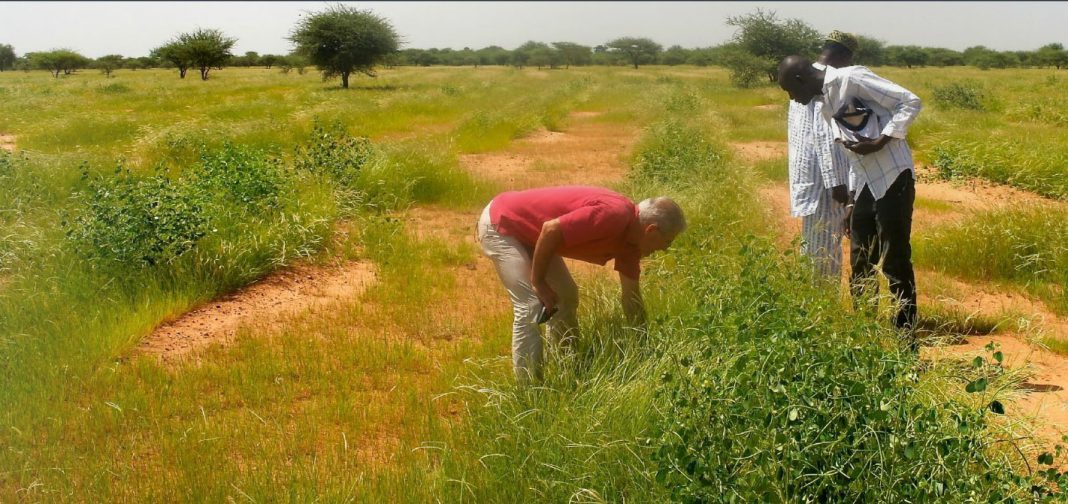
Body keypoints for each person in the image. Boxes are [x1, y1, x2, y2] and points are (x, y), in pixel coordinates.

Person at [777, 54, 923, 349]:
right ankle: (864, 336)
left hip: (893, 176)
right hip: (866, 181)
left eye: (790, 91)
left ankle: (905, 343)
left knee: (894, 261)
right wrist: (853, 201)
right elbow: (853, 153)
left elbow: (910, 101)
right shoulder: (824, 101)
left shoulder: (852, 79)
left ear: (799, 80)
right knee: (860, 259)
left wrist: (882, 140)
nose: (793, 99)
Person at [476, 186, 685, 381]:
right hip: (502, 223)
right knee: (530, 304)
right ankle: (529, 391)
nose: (666, 248)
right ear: (652, 230)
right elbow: (550, 230)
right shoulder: (614, 215)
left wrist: (644, 349)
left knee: (566, 295)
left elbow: (631, 299)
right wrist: (538, 282)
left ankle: (567, 366)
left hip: (534, 236)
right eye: (668, 241)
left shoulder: (631, 244)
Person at [785, 31, 856, 279]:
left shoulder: (798, 74)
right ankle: (821, 306)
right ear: (845, 55)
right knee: (824, 247)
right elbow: (824, 136)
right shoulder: (823, 81)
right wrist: (838, 183)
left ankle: (813, 301)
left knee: (813, 242)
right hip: (826, 183)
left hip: (805, 175)